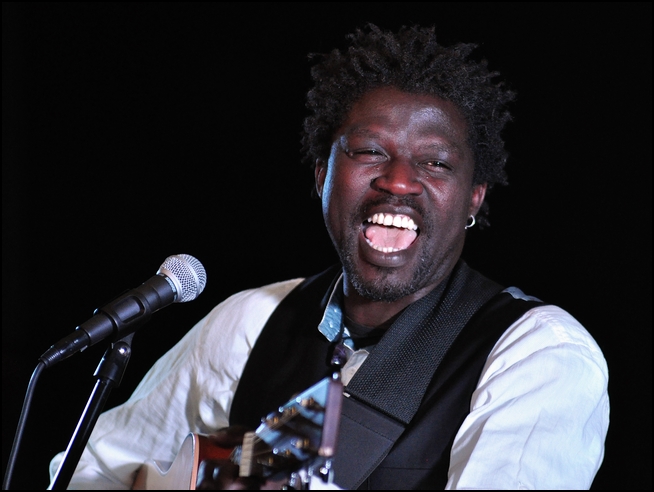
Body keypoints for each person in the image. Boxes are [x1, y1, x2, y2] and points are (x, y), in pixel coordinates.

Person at [48, 23, 609, 490]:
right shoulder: (249, 323)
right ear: (322, 176)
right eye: (369, 151)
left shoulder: (540, 356)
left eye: (435, 163)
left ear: (474, 199)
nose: (398, 181)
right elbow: (90, 470)